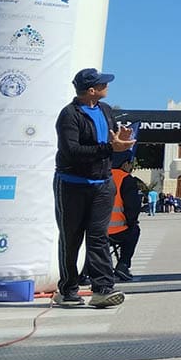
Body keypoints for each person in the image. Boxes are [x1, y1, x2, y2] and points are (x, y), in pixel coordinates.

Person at [52, 68, 134, 309]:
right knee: (71, 238)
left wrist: (120, 139)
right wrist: (110, 149)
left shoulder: (106, 110)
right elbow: (72, 151)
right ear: (91, 90)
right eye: (102, 83)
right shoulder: (69, 115)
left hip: (102, 184)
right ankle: (68, 290)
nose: (107, 86)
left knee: (98, 237)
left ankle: (103, 289)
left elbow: (112, 141)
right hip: (72, 185)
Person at [108, 157, 141, 281]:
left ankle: (86, 270)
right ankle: (123, 265)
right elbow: (133, 206)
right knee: (134, 231)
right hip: (118, 230)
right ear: (125, 164)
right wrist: (131, 222)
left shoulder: (100, 175)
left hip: (97, 231)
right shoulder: (126, 179)